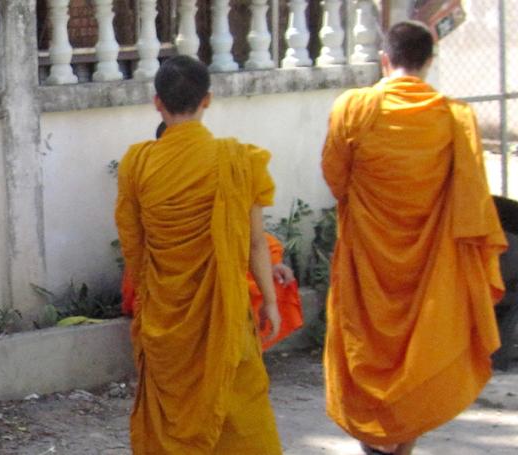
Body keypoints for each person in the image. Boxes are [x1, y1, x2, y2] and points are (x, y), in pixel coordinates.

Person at [322, 21, 506, 455]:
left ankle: (376, 442)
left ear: (384, 60)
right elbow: (471, 199)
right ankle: (402, 442)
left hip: (368, 260)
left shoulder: (354, 108)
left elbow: (335, 179)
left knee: (365, 347)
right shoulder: (454, 119)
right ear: (430, 61)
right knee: (421, 349)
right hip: (430, 267)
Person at [115, 56, 282, 454]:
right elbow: (256, 243)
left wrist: (147, 298)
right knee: (239, 416)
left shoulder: (137, 163)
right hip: (222, 314)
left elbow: (133, 245)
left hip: (165, 318)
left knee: (170, 418)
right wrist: (270, 302)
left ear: (157, 102)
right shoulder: (238, 160)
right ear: (208, 99)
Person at [122, 124, 304, 351]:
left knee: (267, 284)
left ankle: (236, 357)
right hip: (165, 274)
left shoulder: (216, 173)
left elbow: (245, 233)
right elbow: (135, 239)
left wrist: (273, 263)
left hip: (214, 267)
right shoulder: (148, 177)